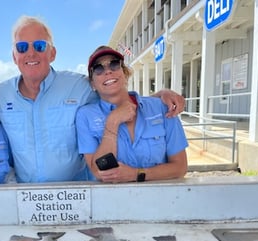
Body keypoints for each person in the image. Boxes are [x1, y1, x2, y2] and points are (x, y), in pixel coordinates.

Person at [0, 15, 185, 183]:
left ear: (52, 52)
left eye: (40, 46)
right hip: (27, 198)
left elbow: (112, 90)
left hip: (77, 192)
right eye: (22, 47)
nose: (31, 52)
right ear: (14, 56)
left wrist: (156, 100)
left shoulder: (79, 86)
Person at [76, 46, 188, 183]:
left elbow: (180, 167)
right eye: (98, 68)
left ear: (125, 73)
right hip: (112, 201)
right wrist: (113, 121)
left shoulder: (161, 107)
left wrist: (137, 174)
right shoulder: (85, 116)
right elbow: (99, 172)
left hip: (161, 199)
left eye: (114, 64)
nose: (108, 71)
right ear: (92, 83)